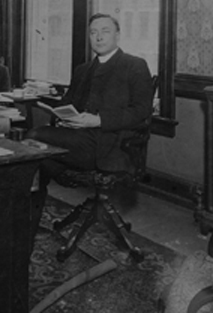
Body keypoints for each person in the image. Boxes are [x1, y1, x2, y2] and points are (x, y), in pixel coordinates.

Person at [26, 13, 153, 237]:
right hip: (78, 139)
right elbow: (68, 103)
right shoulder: (82, 70)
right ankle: (31, 216)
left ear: (118, 35)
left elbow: (141, 112)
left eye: (105, 31)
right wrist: (62, 115)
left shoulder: (135, 65)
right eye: (93, 32)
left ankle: (34, 209)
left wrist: (98, 119)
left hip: (111, 144)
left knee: (34, 137)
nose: (98, 37)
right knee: (34, 146)